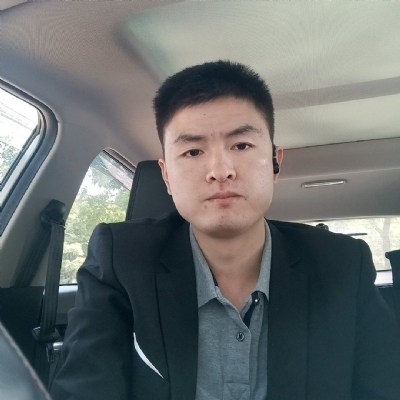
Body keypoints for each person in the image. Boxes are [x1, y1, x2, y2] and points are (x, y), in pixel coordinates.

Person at [51, 61, 400, 400]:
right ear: (167, 175)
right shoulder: (122, 259)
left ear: (275, 162)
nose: (220, 170)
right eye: (192, 151)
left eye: (241, 145)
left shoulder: (342, 264)